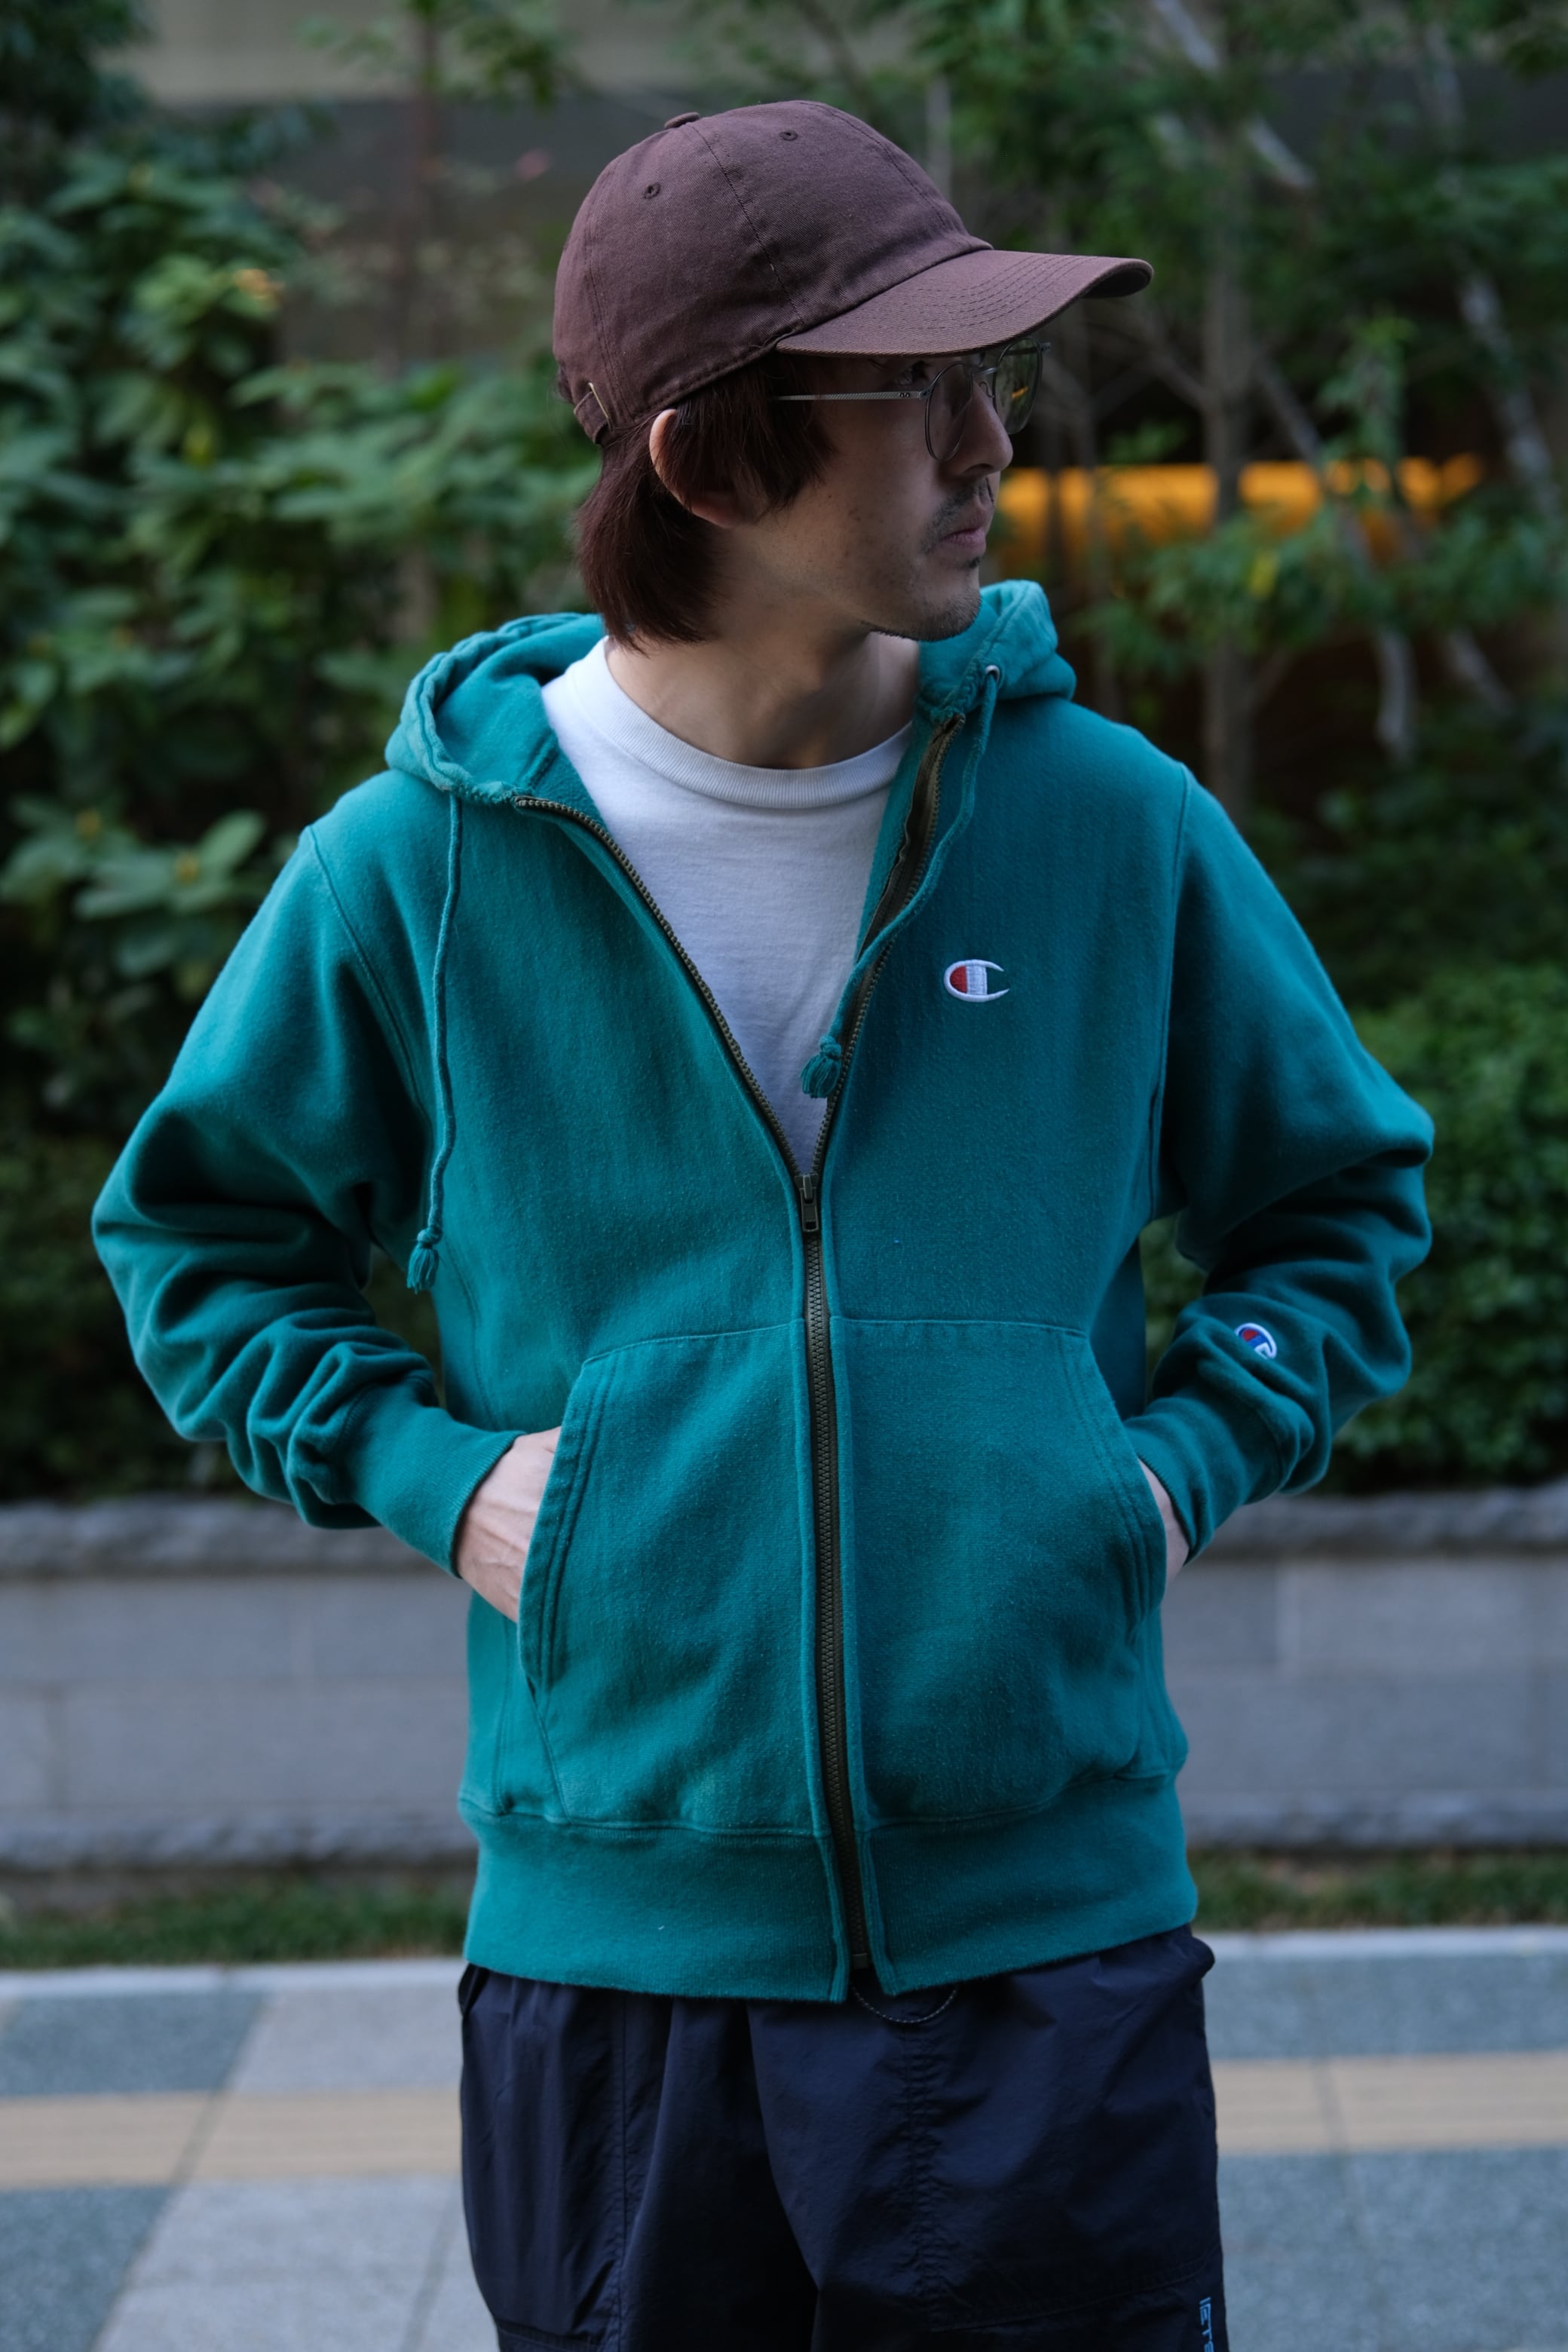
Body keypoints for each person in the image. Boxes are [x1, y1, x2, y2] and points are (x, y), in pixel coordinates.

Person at [96, 100, 1432, 2351]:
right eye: (919, 392)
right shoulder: (417, 870)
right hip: (617, 1979)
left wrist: (1164, 1476)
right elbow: (197, 1242)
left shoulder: (1111, 825)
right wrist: (437, 1478)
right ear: (709, 463)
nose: (992, 443)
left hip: (1047, 1951)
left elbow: (1340, 1207)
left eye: (993, 379)